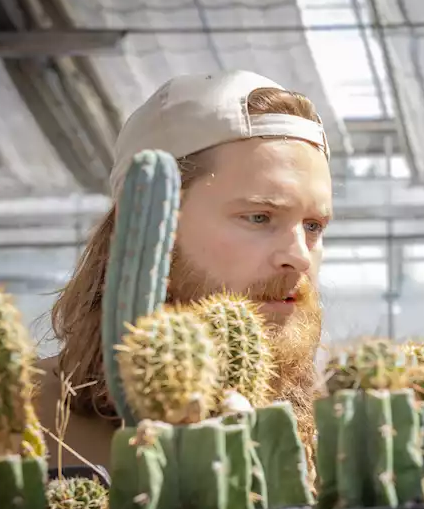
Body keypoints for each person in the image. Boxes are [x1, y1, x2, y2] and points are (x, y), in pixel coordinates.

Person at [33, 70, 334, 469]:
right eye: (259, 217)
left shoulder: (346, 434)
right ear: (149, 228)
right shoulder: (8, 422)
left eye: (313, 226)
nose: (299, 255)